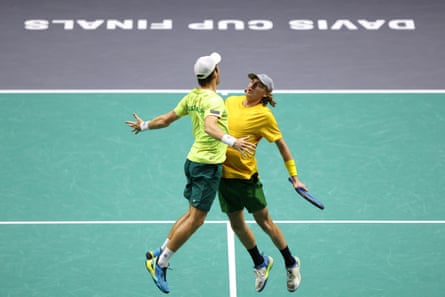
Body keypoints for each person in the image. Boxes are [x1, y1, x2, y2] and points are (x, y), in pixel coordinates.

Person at [125, 52, 255, 294]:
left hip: (193, 161)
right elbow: (210, 126)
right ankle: (161, 263)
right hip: (206, 166)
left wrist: (143, 125)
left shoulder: (192, 97)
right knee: (197, 219)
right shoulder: (215, 102)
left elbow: (166, 120)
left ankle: (160, 250)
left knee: (191, 214)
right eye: (218, 67)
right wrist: (233, 141)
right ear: (215, 73)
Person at [218, 73, 307, 292]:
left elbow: (282, 146)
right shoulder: (229, 102)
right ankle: (260, 262)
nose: (250, 86)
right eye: (251, 82)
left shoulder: (264, 116)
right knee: (237, 225)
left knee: (264, 222)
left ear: (265, 94)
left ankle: (291, 262)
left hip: (247, 179)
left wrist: (295, 177)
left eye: (257, 85)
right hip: (223, 177)